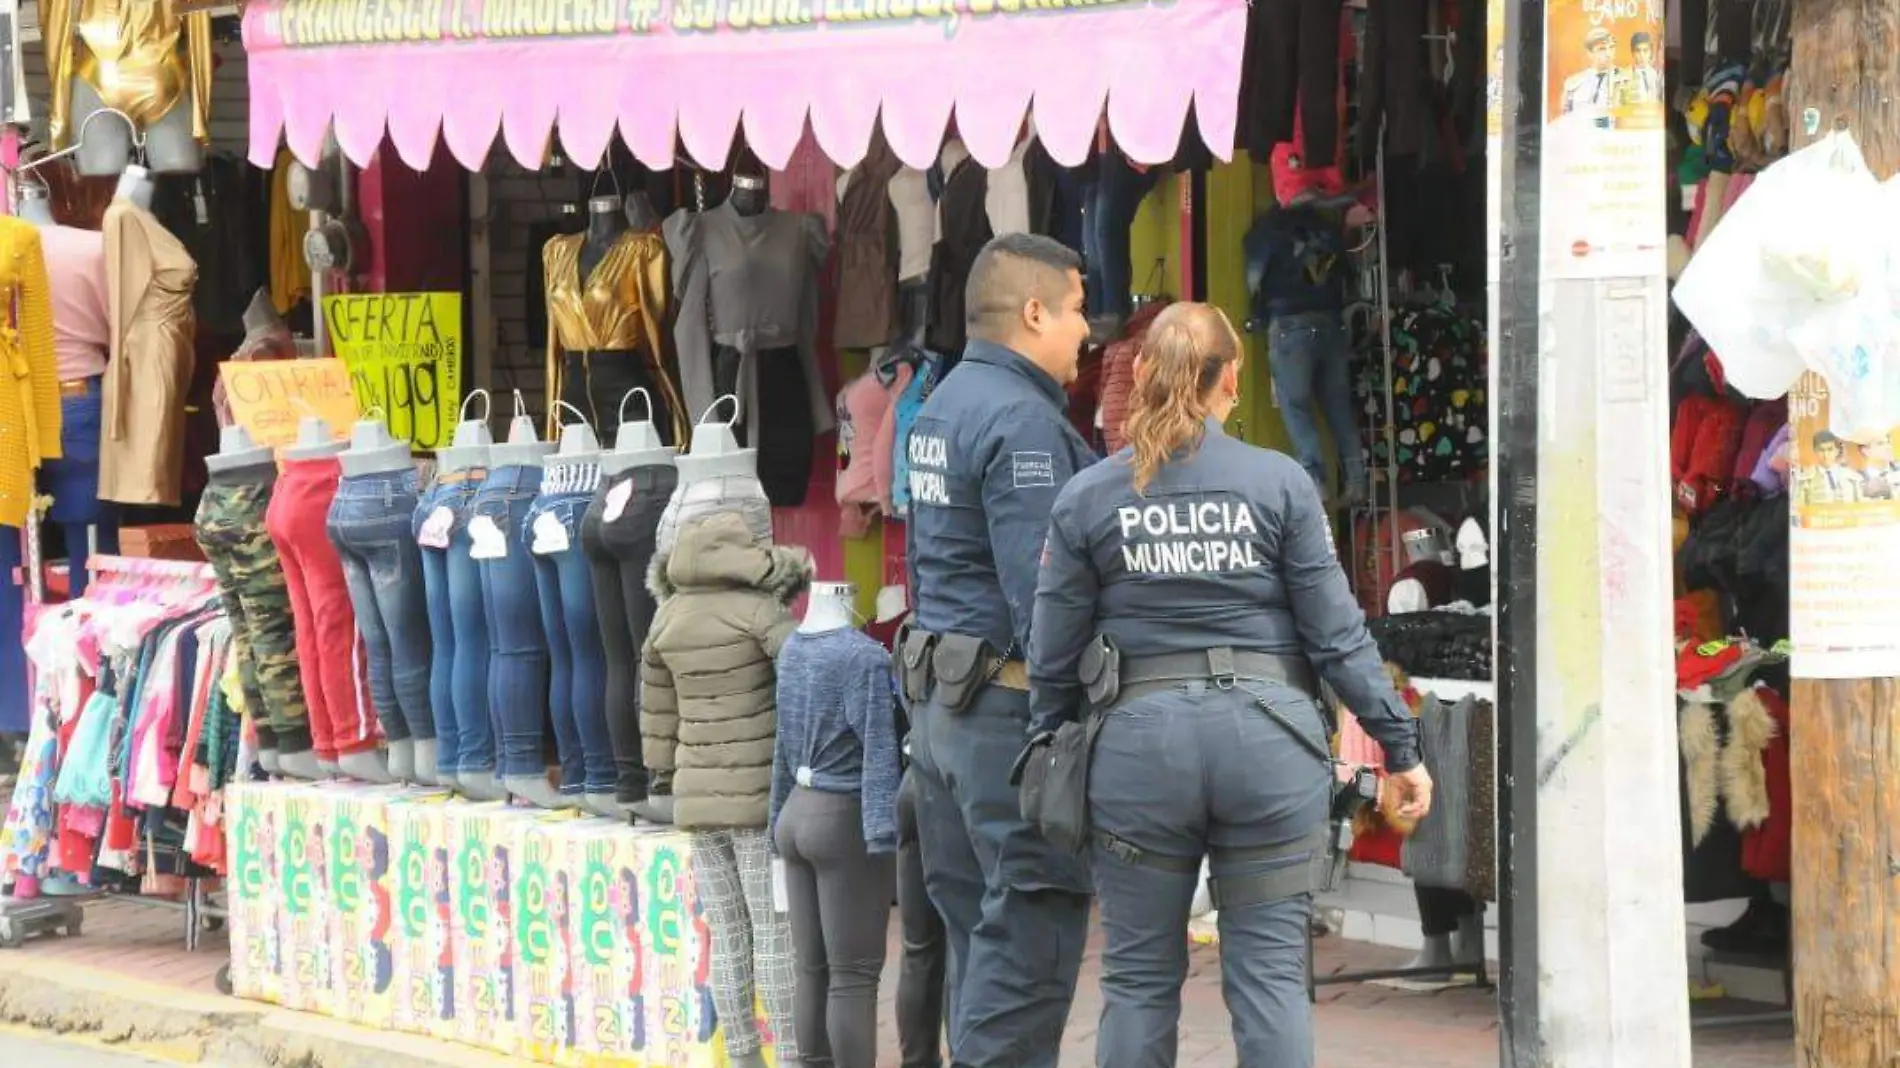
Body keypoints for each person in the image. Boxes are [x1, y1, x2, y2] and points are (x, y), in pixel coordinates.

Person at [1027, 302, 1431, 1068]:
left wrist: (1052, 740)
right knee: (1272, 981)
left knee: (1139, 981)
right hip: (1269, 745)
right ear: (1233, 384)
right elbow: (1338, 636)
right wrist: (1401, 746)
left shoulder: (1089, 497)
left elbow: (1052, 654)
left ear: (1139, 376)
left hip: (1139, 755)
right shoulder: (1278, 484)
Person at [900, 232, 1097, 1068]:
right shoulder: (1021, 422)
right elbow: (1045, 603)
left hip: (942, 714)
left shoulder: (941, 401)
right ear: (1033, 311)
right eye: (1079, 309)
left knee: (977, 946)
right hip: (1004, 727)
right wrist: (1069, 733)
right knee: (1025, 950)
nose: (1088, 330)